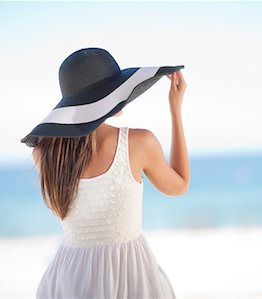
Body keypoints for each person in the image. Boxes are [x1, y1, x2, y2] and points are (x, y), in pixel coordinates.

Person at [31, 55, 189, 298]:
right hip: (128, 274)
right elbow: (179, 184)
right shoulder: (138, 142)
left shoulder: (43, 154)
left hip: (68, 278)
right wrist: (175, 110)